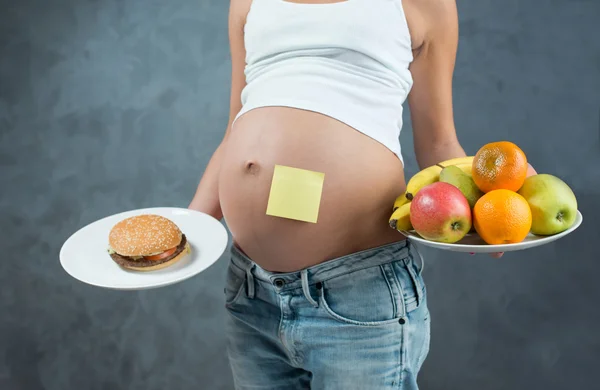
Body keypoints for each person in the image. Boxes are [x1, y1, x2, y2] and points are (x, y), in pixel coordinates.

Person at [188, 0, 533, 388]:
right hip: (251, 291)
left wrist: (496, 194)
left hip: (358, 294)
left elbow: (439, 144)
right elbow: (236, 127)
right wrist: (184, 231)